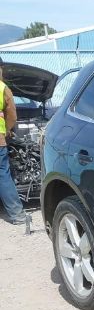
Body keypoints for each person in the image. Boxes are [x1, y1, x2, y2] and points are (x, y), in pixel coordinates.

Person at [0, 65, 26, 224]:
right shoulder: (2, 88)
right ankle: (17, 215)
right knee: (3, 174)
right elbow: (12, 116)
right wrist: (8, 131)